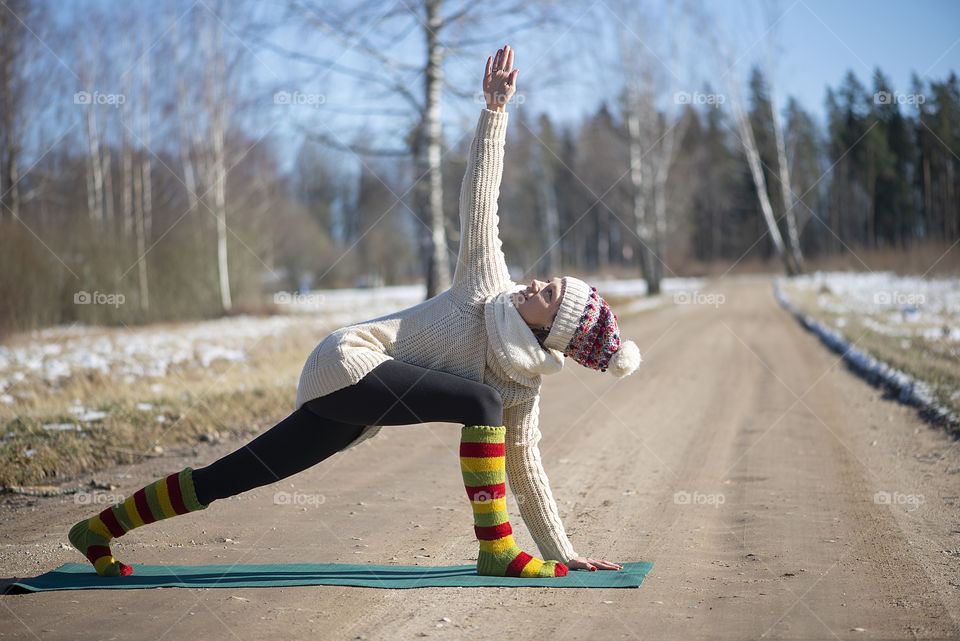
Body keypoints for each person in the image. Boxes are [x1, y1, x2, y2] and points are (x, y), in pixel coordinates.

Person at [67, 45, 641, 579]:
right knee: (479, 400)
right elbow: (479, 197)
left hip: (357, 408)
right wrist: (494, 110)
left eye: (548, 294)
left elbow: (525, 467)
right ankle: (495, 551)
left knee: (236, 475)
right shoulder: (487, 283)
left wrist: (562, 553)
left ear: (551, 332)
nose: (536, 282)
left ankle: (97, 530)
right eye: (548, 280)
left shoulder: (523, 390)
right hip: (348, 361)